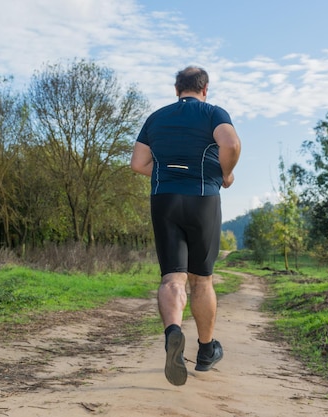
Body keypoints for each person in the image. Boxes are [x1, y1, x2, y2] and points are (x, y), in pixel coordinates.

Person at [130, 66, 241, 386]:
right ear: (204, 89)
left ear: (177, 88)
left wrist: (169, 173)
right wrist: (225, 174)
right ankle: (206, 350)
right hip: (203, 198)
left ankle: (173, 332)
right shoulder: (213, 113)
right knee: (202, 281)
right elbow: (231, 145)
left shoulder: (157, 118)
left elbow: (138, 163)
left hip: (164, 199)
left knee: (172, 278)